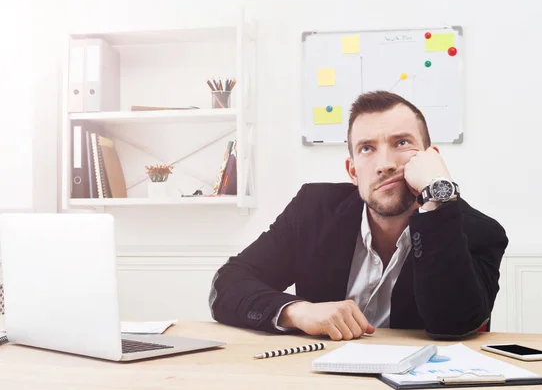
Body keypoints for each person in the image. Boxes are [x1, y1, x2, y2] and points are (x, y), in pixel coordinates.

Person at [208, 90, 508, 340]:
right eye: (367, 149)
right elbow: (228, 285)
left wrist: (435, 196)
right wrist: (298, 311)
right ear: (353, 171)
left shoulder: (480, 232)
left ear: (431, 159)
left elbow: (453, 324)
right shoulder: (313, 210)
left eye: (401, 143)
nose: (385, 164)